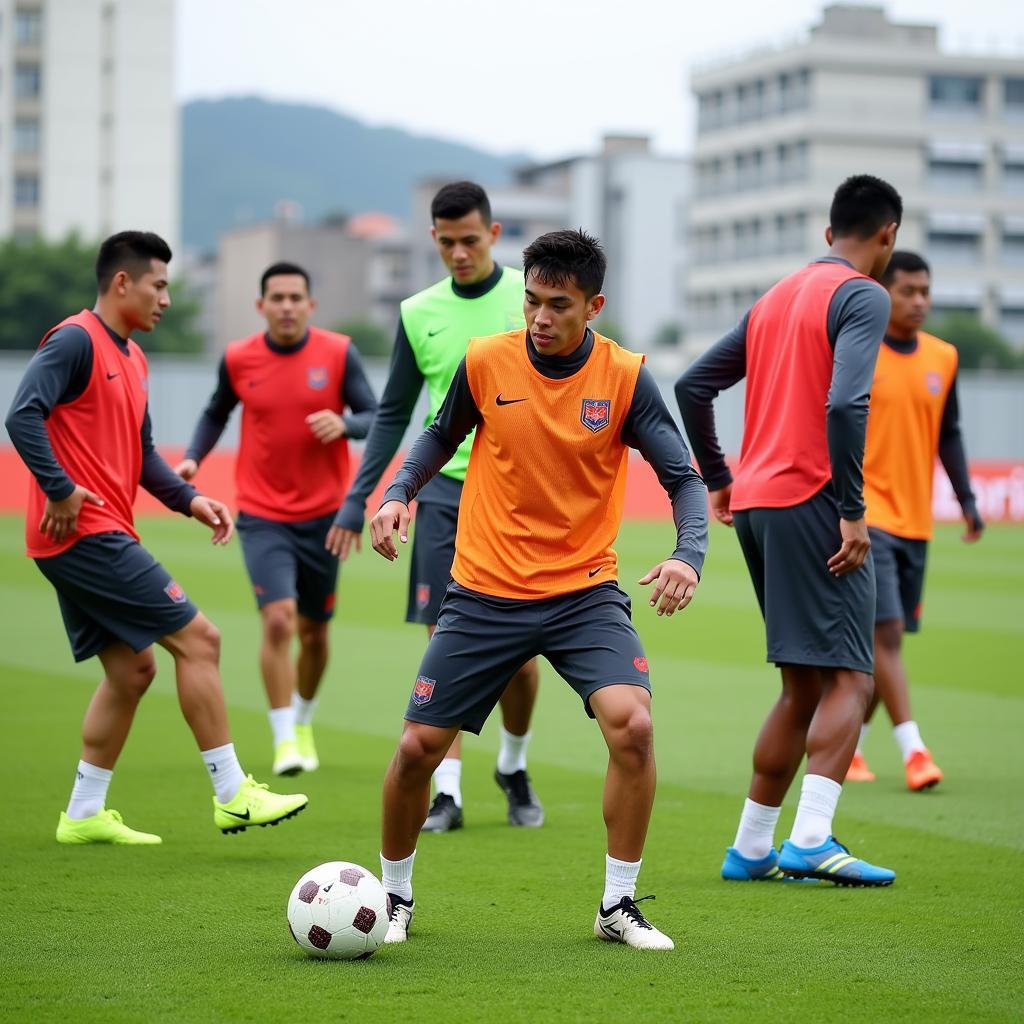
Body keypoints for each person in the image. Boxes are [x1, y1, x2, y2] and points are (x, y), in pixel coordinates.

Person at [369, 228, 708, 950]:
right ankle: (393, 898)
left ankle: (618, 906)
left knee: (635, 727)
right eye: (531, 301)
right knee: (415, 751)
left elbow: (682, 477)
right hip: (484, 591)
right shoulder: (486, 360)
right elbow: (436, 435)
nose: (540, 318)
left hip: (584, 594)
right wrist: (399, 491)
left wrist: (689, 554)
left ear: (594, 306)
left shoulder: (624, 376)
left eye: (559, 304)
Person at [4, 231, 308, 844]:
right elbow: (21, 413)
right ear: (123, 283)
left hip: (90, 534)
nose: (166, 299)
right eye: (159, 285)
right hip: (85, 533)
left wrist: (193, 501)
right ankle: (232, 793)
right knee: (200, 639)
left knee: (132, 671)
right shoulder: (74, 340)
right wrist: (60, 490)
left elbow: (142, 456)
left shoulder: (135, 358)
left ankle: (83, 813)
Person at [676, 175, 902, 887]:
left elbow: (691, 386)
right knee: (850, 679)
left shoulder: (774, 297)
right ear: (887, 237)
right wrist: (853, 507)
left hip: (758, 502)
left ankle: (749, 848)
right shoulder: (864, 294)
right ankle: (811, 838)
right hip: (813, 499)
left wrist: (718, 478)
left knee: (801, 686)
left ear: (826, 232)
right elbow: (845, 403)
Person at [328, 182, 543, 832]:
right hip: (446, 493)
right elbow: (393, 414)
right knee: (446, 643)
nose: (458, 252)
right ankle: (447, 791)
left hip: (522, 494)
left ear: (494, 235)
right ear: (433, 240)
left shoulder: (529, 300)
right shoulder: (418, 310)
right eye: (446, 242)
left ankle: (512, 762)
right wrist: (359, 498)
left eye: (470, 240)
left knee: (522, 658)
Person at [176, 262, 377, 776]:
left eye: (295, 297)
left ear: (310, 305)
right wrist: (195, 456)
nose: (286, 306)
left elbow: (376, 415)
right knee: (279, 619)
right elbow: (216, 411)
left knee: (314, 633)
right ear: (260, 305)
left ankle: (304, 718)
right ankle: (285, 737)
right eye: (277, 297)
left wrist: (346, 422)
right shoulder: (239, 357)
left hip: (326, 517)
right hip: (263, 513)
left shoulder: (337, 352)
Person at [845, 250, 983, 790]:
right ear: (883, 293)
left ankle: (848, 749)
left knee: (887, 645)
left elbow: (949, 431)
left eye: (926, 291)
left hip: (916, 521)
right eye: (908, 291)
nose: (920, 301)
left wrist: (967, 498)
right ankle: (915, 750)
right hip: (866, 515)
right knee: (889, 633)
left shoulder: (943, 357)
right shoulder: (858, 352)